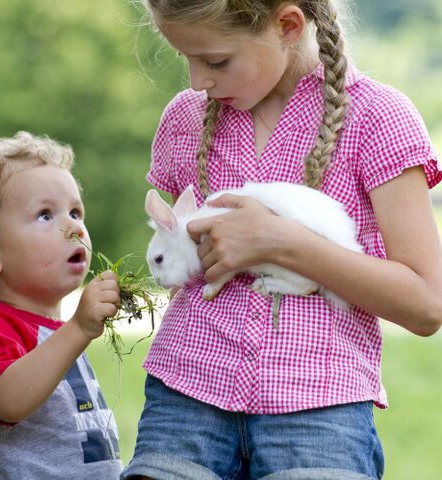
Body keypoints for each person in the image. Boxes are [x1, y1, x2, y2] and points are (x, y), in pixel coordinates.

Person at [122, 1, 442, 479]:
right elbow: (183, 262)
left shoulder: (378, 118)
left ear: (288, 26)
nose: (196, 82)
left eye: (215, 61)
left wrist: (280, 242)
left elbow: (427, 303)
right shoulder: (184, 121)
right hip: (185, 399)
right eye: (185, 59)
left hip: (319, 411)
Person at [0, 131, 123, 479]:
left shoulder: (56, 332)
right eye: (45, 215)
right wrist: (79, 329)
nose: (73, 227)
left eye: (76, 212)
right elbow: (8, 402)